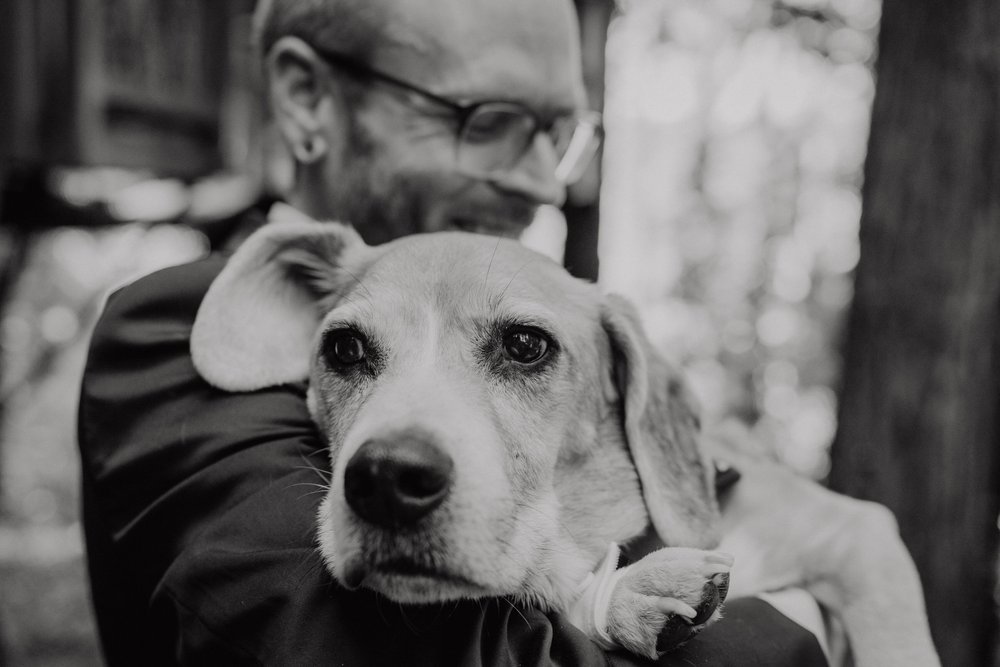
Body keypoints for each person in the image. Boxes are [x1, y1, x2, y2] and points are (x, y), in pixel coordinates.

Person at [76, 0, 887, 664]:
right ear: (307, 97)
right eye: (486, 118)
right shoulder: (181, 323)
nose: (539, 180)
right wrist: (795, 616)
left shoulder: (596, 362)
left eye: (558, 132)